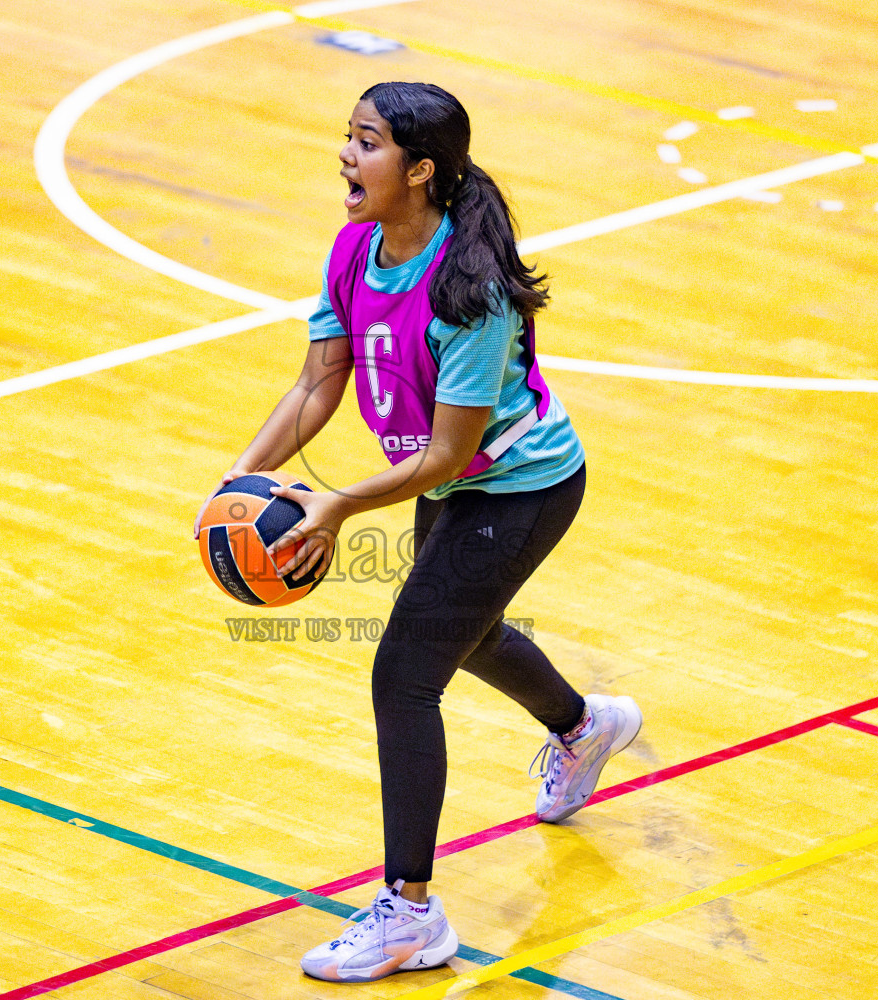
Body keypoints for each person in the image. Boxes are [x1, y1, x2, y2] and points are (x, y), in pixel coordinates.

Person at [193, 82, 642, 983]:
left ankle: (410, 915)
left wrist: (339, 505)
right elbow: (319, 382)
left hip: (520, 488)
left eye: (366, 143)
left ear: (421, 170)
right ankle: (585, 725)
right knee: (462, 638)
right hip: (457, 482)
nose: (346, 157)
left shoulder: (470, 289)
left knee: (404, 672)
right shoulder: (357, 249)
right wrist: (239, 478)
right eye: (347, 138)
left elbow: (445, 455)